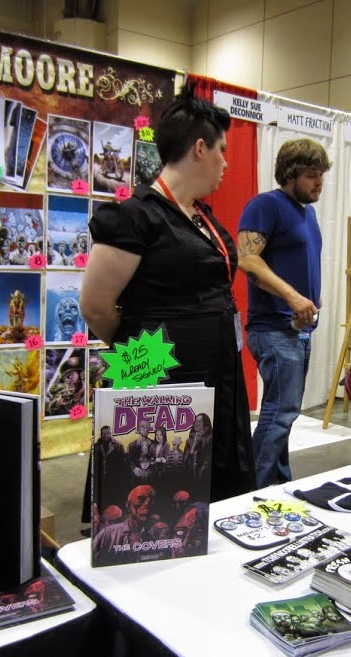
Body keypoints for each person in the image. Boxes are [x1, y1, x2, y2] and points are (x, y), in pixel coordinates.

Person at [80, 83, 255, 502]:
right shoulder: (134, 217)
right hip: (159, 373)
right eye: (221, 150)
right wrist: (151, 349)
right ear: (199, 148)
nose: (226, 163)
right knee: (157, 490)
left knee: (211, 486)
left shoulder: (201, 217)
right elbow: (95, 307)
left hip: (217, 372)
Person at [237, 138, 331, 488]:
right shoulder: (266, 205)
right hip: (273, 327)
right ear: (290, 174)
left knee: (283, 416)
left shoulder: (308, 213)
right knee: (280, 414)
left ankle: (277, 484)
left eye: (321, 174)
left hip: (297, 329)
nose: (319, 182)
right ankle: (249, 491)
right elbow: (247, 259)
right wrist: (292, 296)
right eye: (311, 174)